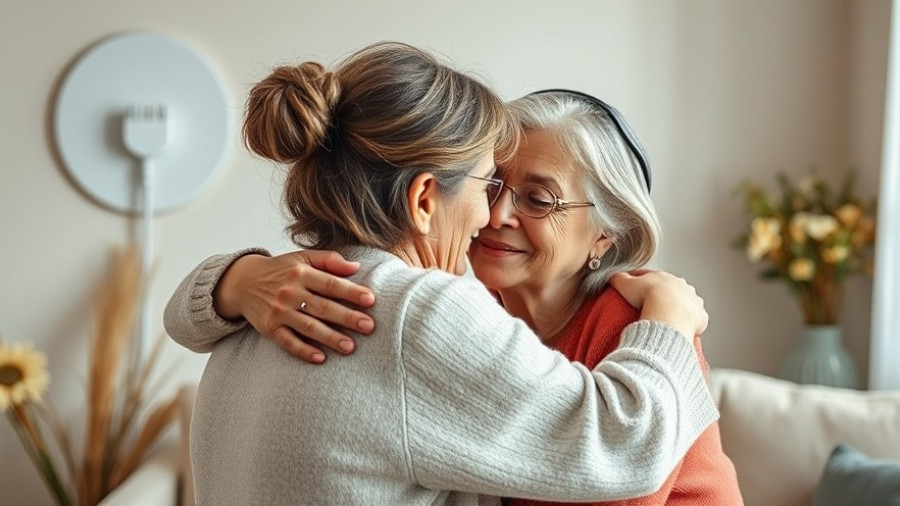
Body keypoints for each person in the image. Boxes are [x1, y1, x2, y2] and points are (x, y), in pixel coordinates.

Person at [165, 41, 718, 506]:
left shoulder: (262, 301)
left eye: (535, 198)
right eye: (489, 185)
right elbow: (624, 447)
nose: (491, 216)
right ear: (425, 199)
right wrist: (671, 317)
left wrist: (232, 277)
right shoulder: (418, 310)